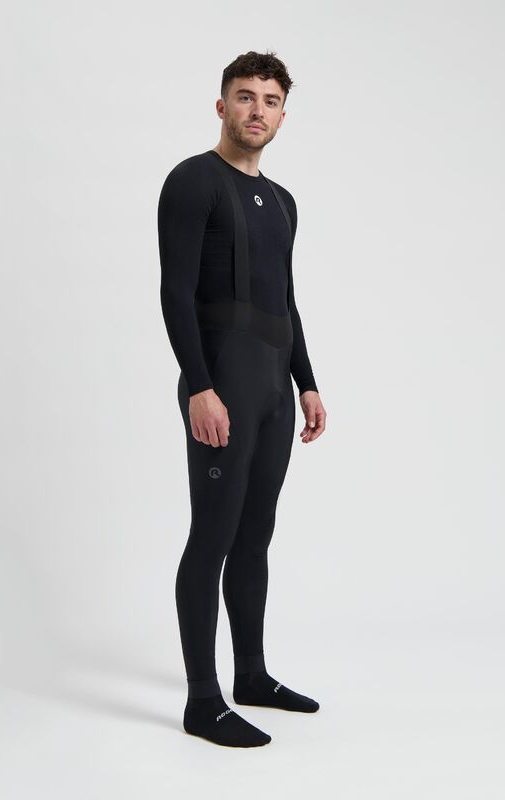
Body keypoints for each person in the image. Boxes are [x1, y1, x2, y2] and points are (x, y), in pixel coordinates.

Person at [157, 50, 327, 748]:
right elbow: (175, 291)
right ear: (222, 105)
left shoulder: (283, 202)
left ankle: (251, 675)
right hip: (221, 381)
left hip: (273, 389)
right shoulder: (193, 181)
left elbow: (285, 299)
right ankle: (203, 700)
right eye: (246, 96)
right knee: (214, 534)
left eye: (271, 100)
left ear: (284, 115)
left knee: (256, 535)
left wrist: (306, 381)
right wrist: (200, 386)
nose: (258, 109)